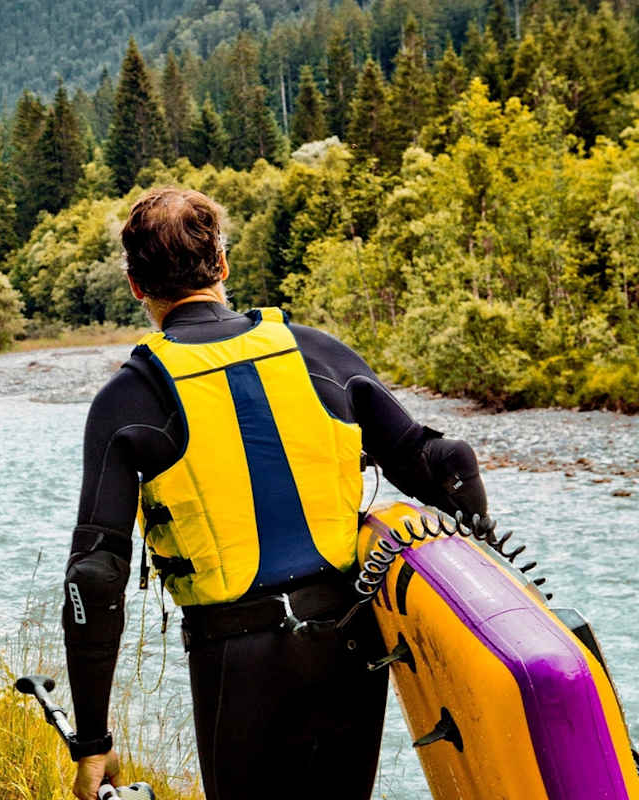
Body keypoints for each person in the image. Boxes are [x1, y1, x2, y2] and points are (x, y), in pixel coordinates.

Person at [62, 188, 491, 800]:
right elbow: (442, 462)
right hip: (350, 640)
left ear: (135, 285)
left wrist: (93, 741)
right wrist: (482, 541)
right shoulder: (317, 353)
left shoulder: (131, 399)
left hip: (237, 657)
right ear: (222, 266)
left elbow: (94, 578)